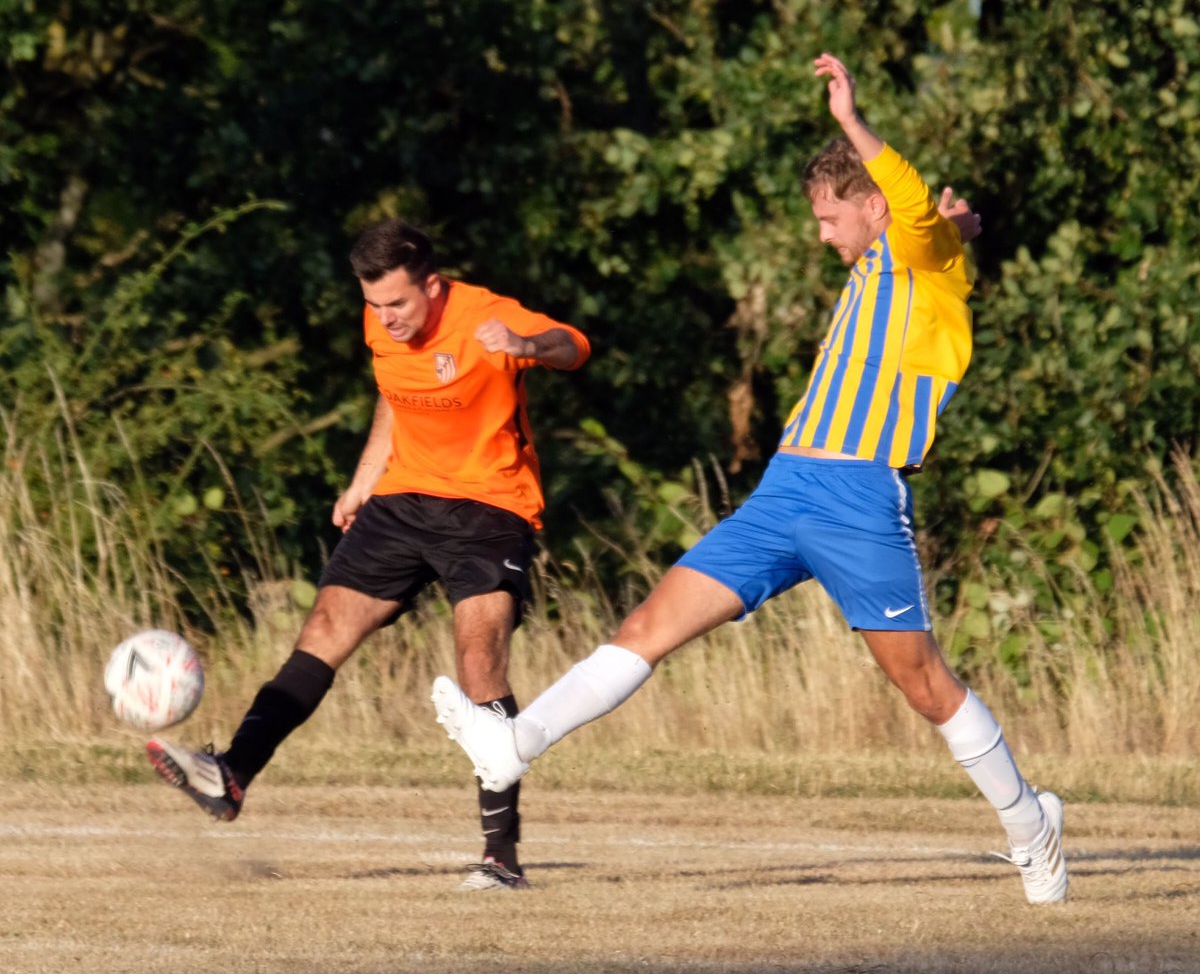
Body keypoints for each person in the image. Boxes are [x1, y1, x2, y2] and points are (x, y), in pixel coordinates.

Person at [430, 53, 1068, 905]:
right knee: (650, 622)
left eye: (829, 216)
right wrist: (957, 227)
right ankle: (515, 743)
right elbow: (929, 223)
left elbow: (915, 209)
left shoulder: (917, 253)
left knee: (922, 681)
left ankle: (1032, 827)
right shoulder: (898, 260)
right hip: (785, 490)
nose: (821, 233)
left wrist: (850, 118)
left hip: (858, 496)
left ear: (874, 206)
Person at [146, 218, 591, 891]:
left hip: (492, 507)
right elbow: (395, 398)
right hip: (402, 499)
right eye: (374, 305)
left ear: (433, 286)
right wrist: (363, 480)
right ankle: (232, 774)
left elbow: (573, 346)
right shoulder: (380, 322)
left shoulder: (483, 316)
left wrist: (526, 344)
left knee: (479, 657)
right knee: (323, 630)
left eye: (399, 304)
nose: (386, 319)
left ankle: (500, 858)